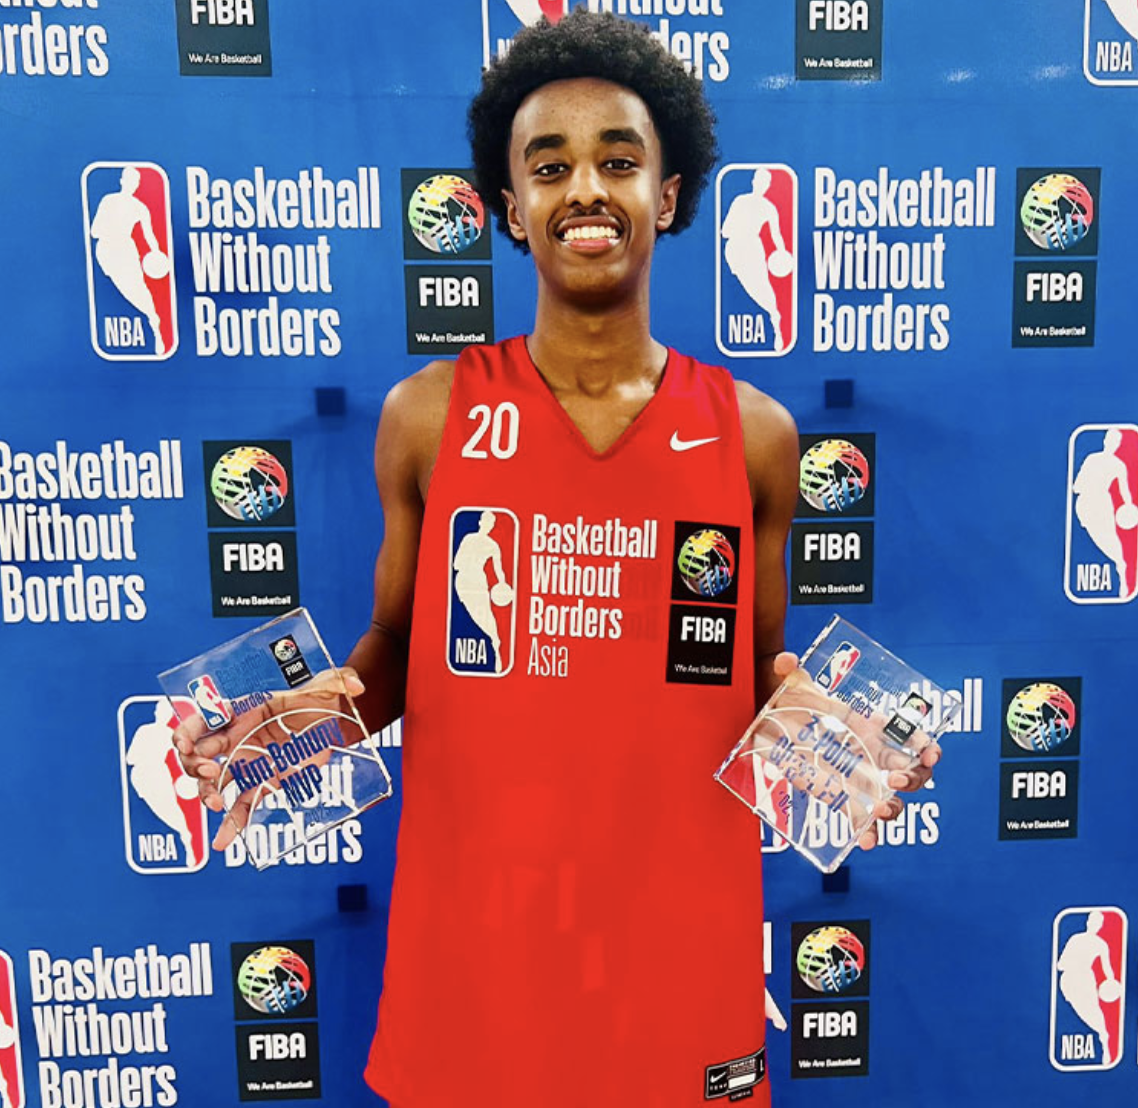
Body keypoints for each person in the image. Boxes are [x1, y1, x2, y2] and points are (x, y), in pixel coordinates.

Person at [177, 12, 939, 1106]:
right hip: (476, 943)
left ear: (667, 196)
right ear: (509, 207)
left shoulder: (755, 434)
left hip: (679, 941)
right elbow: (394, 647)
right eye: (550, 166)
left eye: (619, 162)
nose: (586, 189)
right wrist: (299, 721)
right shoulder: (429, 415)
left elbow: (753, 677)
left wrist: (847, 739)